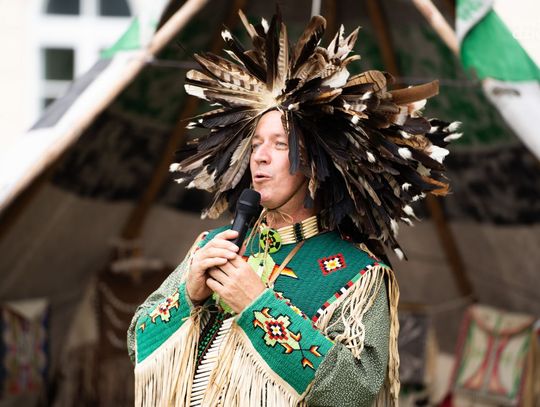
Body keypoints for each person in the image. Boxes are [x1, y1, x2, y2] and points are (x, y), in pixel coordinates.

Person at [127, 10, 460, 407]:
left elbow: (355, 389)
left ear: (315, 163)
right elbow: (136, 341)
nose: (260, 156)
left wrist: (259, 308)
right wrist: (189, 296)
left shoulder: (359, 275)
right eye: (256, 144)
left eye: (280, 144)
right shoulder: (212, 247)